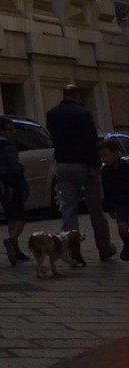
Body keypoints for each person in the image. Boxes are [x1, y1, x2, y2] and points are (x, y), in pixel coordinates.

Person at [45, 83, 115, 261]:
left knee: (68, 209)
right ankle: (104, 249)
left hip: (63, 165)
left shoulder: (52, 114)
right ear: (77, 96)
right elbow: (91, 140)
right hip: (84, 165)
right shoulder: (83, 114)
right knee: (95, 210)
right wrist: (95, 165)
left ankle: (71, 251)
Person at [0, 117, 30, 265]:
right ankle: (11, 241)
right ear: (2, 131)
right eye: (10, 129)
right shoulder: (8, 147)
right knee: (20, 217)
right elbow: (14, 167)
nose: (13, 132)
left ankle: (15, 248)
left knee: (11, 216)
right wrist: (20, 170)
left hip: (1, 185)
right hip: (13, 184)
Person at [99, 136, 129, 261]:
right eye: (101, 156)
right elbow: (106, 190)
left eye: (106, 155)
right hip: (119, 203)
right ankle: (127, 244)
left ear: (116, 153)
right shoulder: (105, 171)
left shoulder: (126, 167)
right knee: (122, 229)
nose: (103, 159)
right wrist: (109, 207)